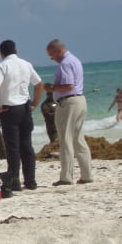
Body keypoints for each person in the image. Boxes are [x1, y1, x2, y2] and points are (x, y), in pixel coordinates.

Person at [0, 39, 44, 192]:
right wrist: (35, 104)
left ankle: (14, 182)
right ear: (16, 50)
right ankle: (30, 181)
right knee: (27, 145)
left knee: (13, 148)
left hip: (9, 110)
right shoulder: (26, 64)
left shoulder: (3, 66)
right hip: (25, 108)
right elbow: (39, 84)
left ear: (1, 53)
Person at [46, 38, 93, 186]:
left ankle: (66, 177)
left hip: (69, 102)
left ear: (58, 50)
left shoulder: (65, 63)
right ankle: (86, 175)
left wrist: (51, 88)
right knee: (78, 139)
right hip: (79, 100)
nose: (51, 58)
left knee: (66, 139)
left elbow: (68, 86)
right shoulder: (75, 60)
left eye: (51, 55)